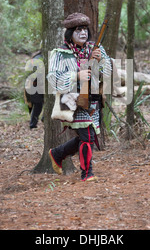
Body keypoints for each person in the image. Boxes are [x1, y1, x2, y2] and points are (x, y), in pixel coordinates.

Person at [47, 13, 112, 181]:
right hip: (70, 101)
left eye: (85, 30)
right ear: (70, 33)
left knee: (87, 137)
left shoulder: (96, 49)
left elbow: (108, 74)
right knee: (88, 137)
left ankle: (57, 153)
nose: (83, 33)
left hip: (92, 100)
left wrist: (100, 63)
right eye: (78, 30)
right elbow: (52, 79)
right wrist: (77, 75)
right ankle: (86, 174)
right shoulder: (60, 53)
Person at [24, 50, 44, 129]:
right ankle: (33, 124)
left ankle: (41, 120)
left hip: (37, 85)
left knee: (39, 105)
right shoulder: (38, 58)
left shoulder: (39, 57)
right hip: (34, 86)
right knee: (37, 105)